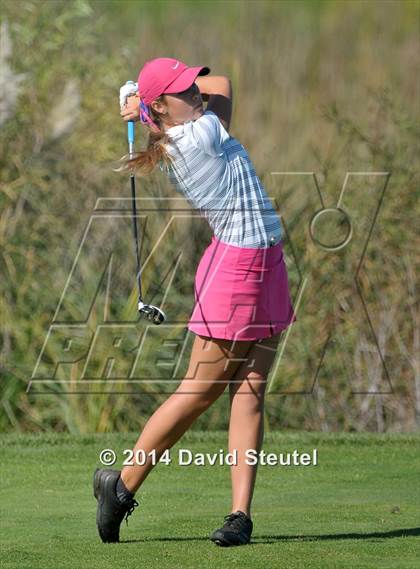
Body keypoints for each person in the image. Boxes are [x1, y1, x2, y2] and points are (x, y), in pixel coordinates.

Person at [93, 57, 297, 547]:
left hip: (266, 262)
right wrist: (138, 102)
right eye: (185, 89)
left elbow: (218, 84)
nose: (198, 92)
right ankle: (120, 486)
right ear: (164, 106)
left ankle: (239, 516)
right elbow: (222, 85)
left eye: (192, 83)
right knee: (198, 394)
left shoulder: (188, 124)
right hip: (238, 270)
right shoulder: (199, 136)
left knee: (250, 393)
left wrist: (141, 103)